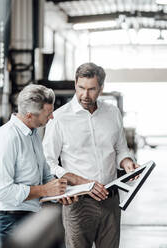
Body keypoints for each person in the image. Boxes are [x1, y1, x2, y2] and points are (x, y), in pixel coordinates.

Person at [43, 62, 139, 248]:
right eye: (81, 88)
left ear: (101, 88)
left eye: (92, 89)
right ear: (75, 84)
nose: (85, 95)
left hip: (110, 199)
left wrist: (127, 163)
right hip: (79, 202)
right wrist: (80, 181)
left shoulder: (112, 113)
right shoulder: (59, 118)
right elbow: (48, 162)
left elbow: (121, 149)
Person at [0, 84, 77, 244]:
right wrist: (45, 190)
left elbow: (45, 176)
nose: (51, 118)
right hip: (10, 221)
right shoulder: (6, 138)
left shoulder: (34, 134)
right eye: (47, 114)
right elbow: (1, 191)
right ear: (29, 115)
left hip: (31, 215)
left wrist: (60, 193)